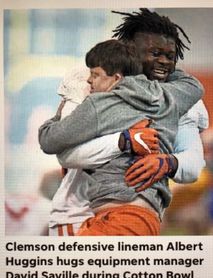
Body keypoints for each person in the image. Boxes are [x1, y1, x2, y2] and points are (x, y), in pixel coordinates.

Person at [39, 37, 203, 236]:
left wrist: (66, 105)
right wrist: (124, 140)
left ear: (116, 78)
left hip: (113, 218)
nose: (90, 80)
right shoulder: (169, 96)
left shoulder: (100, 102)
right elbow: (194, 87)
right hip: (139, 217)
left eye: (95, 75)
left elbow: (50, 141)